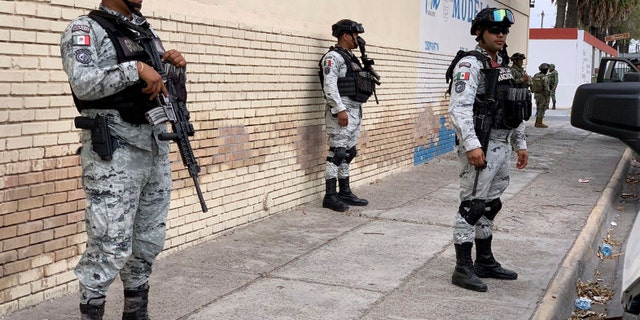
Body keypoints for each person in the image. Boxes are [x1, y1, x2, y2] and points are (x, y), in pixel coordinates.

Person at [60, 0, 187, 319]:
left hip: (154, 147)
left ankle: (136, 312)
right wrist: (135, 69)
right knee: (108, 242)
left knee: (148, 240)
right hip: (114, 153)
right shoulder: (85, 28)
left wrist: (172, 68)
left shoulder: (144, 31)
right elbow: (83, 83)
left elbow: (161, 91)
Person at [447, 7, 528, 292]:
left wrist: (520, 144)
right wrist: (471, 145)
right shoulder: (470, 64)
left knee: (491, 205)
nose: (501, 35)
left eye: (505, 30)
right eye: (495, 30)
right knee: (472, 206)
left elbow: (514, 106)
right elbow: (459, 108)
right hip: (481, 144)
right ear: (480, 32)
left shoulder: (502, 64)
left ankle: (484, 260)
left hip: (502, 145)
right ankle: (462, 268)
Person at [317, 19, 376, 212]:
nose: (358, 39)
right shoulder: (333, 57)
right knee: (337, 153)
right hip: (341, 111)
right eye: (355, 36)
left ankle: (344, 191)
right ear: (345, 36)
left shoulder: (351, 57)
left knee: (349, 153)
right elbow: (330, 85)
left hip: (355, 109)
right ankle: (330, 196)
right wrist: (339, 109)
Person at [532, 63, 551, 128]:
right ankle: (539, 122)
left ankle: (537, 121)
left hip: (536, 94)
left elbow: (532, 83)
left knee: (538, 108)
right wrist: (548, 96)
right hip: (543, 95)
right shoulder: (545, 77)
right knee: (542, 108)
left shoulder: (536, 75)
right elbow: (546, 88)